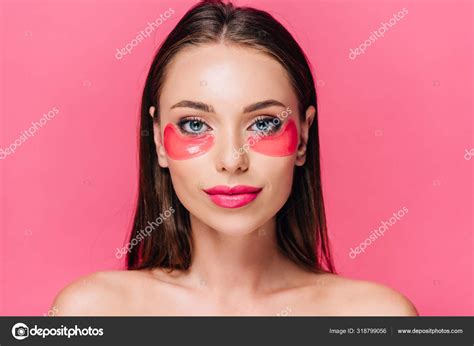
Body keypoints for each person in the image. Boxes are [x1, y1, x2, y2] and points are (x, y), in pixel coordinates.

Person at [52, 0, 418, 316]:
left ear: (303, 136)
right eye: (194, 124)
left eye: (263, 123)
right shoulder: (92, 312)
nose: (231, 160)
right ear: (159, 142)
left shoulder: (376, 317)